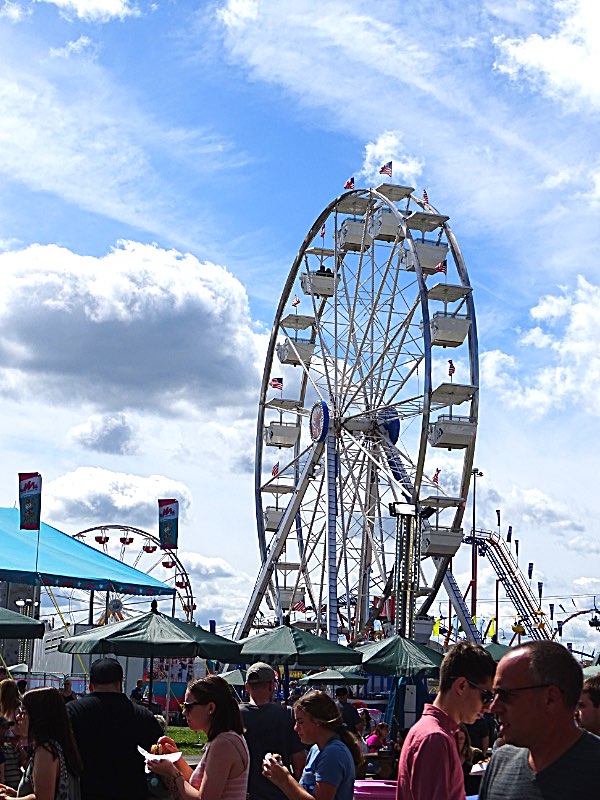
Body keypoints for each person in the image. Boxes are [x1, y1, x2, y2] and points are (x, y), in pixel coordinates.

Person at [479, 640, 600, 800]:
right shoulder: (501, 762)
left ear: (550, 698)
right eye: (493, 695)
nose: (493, 707)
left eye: (505, 695)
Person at [396, 641, 496, 800]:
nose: (489, 707)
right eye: (487, 697)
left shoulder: (430, 732)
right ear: (462, 686)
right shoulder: (435, 738)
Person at [67, 657, 162, 800]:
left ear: (90, 685)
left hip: (85, 792)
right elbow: (159, 757)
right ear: (120, 684)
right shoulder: (143, 716)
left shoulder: (71, 712)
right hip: (133, 793)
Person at [148, 675, 249, 800]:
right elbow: (198, 784)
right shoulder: (227, 738)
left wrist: (173, 773)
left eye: (188, 706)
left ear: (211, 708)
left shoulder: (223, 744)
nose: (184, 712)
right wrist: (177, 759)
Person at [263, 689, 362, 800]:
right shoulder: (316, 750)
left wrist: (285, 780)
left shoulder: (333, 753)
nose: (296, 728)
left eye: (300, 722)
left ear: (318, 721)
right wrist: (280, 779)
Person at [0, 687, 82, 800]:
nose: (18, 717)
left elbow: (42, 798)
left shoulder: (45, 750)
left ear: (38, 717)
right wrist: (16, 794)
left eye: (23, 712)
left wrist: (7, 799)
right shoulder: (60, 745)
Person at [239, 662, 306, 800]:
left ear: (247, 687)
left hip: (244, 794)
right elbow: (299, 763)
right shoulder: (287, 714)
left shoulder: (235, 715)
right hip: (281, 793)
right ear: (272, 685)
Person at [0, 681, 25, 792]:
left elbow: (21, 732)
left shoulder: (17, 708)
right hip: (7, 746)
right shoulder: (5, 708)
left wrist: (13, 740)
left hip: (18, 747)